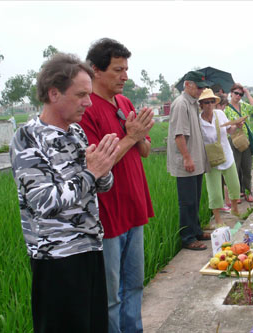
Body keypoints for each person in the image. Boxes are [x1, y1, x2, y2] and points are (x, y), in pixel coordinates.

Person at [10, 53, 120, 333]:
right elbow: (44, 202)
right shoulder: (28, 138)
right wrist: (92, 173)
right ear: (54, 93)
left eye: (89, 94)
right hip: (57, 259)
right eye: (81, 94)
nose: (88, 102)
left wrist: (103, 169)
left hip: (90, 248)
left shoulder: (77, 133)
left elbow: (100, 188)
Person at [78, 38, 154, 333]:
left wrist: (141, 133)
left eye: (126, 69)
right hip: (109, 214)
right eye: (117, 70)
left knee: (135, 284)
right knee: (111, 294)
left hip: (135, 206)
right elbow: (99, 165)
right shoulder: (87, 110)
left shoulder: (124, 103)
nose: (125, 76)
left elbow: (145, 151)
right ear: (96, 71)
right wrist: (132, 136)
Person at [167, 70, 211, 251]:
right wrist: (187, 158)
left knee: (195, 198)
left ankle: (197, 230)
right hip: (187, 161)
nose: (201, 90)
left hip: (196, 160)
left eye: (202, 87)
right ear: (187, 85)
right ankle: (187, 237)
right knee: (187, 201)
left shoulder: (193, 104)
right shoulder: (181, 104)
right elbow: (179, 135)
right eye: (198, 87)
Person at [198, 89, 241, 224]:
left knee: (235, 185)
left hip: (226, 154)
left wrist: (236, 126)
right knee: (215, 191)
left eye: (212, 102)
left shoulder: (220, 114)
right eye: (206, 102)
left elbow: (229, 130)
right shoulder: (198, 120)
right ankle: (217, 219)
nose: (209, 105)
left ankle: (235, 208)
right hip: (211, 158)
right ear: (201, 105)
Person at [224, 83, 253, 203]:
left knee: (247, 168)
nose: (238, 96)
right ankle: (238, 193)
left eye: (241, 94)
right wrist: (235, 124)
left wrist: (248, 93)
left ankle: (248, 191)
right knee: (236, 168)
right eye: (236, 93)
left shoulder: (243, 106)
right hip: (233, 140)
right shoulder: (226, 108)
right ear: (231, 93)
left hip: (245, 140)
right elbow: (224, 125)